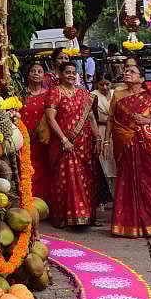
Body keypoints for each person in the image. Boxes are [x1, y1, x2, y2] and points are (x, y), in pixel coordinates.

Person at [108, 57, 151, 238]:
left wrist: (146, 120)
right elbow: (112, 119)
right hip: (125, 144)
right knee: (127, 183)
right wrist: (105, 141)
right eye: (126, 71)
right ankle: (129, 225)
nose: (127, 73)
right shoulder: (117, 94)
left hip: (146, 146)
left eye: (132, 71)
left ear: (141, 78)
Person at [45, 60, 100, 227]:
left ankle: (85, 215)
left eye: (73, 72)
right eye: (67, 72)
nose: (70, 75)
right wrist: (64, 139)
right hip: (64, 144)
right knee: (65, 179)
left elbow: (90, 118)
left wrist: (98, 139)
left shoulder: (83, 93)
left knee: (86, 179)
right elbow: (50, 118)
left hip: (84, 144)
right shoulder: (55, 92)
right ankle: (65, 217)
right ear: (60, 75)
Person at [20, 60, 51, 202]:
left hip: (43, 139)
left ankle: (43, 202)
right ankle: (28, 201)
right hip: (25, 138)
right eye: (33, 71)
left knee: (44, 170)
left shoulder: (49, 95)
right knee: (27, 168)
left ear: (44, 76)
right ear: (28, 75)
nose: (36, 74)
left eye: (39, 71)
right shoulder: (21, 94)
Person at [91, 73, 116, 200]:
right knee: (104, 162)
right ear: (96, 84)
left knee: (116, 162)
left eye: (107, 84)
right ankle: (106, 197)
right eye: (101, 84)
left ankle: (117, 195)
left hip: (116, 132)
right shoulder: (93, 95)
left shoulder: (116, 93)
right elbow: (93, 118)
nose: (105, 87)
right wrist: (110, 120)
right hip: (101, 130)